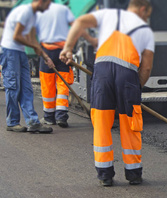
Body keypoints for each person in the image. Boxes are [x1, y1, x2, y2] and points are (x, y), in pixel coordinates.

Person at [60, 0, 155, 186]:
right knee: (130, 124)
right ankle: (133, 174)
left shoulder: (108, 15)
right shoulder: (145, 30)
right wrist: (136, 88)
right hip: (127, 75)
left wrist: (68, 48)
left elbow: (79, 22)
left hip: (101, 73)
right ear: (143, 9)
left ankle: (105, 175)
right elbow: (146, 68)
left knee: (102, 123)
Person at [0, 0, 54, 133]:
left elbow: (32, 38)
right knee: (13, 87)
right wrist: (34, 46)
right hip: (9, 51)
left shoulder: (33, 15)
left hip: (20, 52)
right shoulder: (25, 12)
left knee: (26, 87)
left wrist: (46, 57)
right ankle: (12, 122)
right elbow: (16, 36)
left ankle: (33, 122)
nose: (47, 8)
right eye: (48, 4)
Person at [35, 1, 76, 128]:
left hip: (47, 50)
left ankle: (49, 117)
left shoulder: (39, 11)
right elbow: (75, 27)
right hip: (62, 51)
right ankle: (61, 117)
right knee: (63, 84)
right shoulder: (63, 9)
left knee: (48, 86)